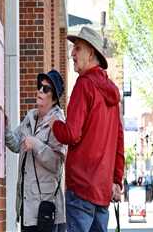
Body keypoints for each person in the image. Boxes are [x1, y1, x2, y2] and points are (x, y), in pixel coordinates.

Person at [50, 26, 125, 232]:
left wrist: (54, 124)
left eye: (78, 48)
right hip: (102, 192)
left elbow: (72, 134)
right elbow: (119, 142)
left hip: (82, 189)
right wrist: (116, 181)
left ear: (91, 53)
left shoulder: (84, 85)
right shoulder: (113, 95)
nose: (72, 53)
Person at [5, 70, 67, 232]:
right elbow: (16, 144)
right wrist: (3, 128)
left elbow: (57, 164)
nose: (40, 90)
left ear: (54, 99)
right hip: (27, 207)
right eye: (39, 86)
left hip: (45, 210)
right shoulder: (31, 117)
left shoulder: (57, 122)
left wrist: (36, 144)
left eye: (46, 89)